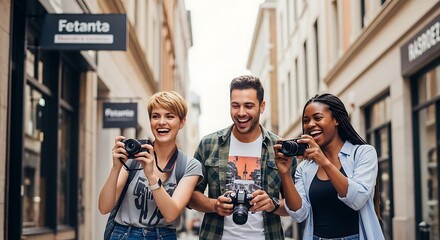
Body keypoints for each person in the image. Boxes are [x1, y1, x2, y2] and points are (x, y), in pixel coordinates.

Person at [188, 75, 296, 239]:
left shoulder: (280, 148)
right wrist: (214, 205)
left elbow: (295, 207)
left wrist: (272, 204)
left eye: (249, 106)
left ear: (262, 106)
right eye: (235, 106)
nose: (241, 113)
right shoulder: (208, 144)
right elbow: (190, 196)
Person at [274, 93, 384, 240]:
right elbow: (299, 214)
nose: (310, 124)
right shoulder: (305, 168)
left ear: (336, 120)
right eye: (306, 121)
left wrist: (324, 161)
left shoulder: (363, 153)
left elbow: (357, 200)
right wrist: (285, 174)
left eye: (318, 118)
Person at [99, 91, 203, 240]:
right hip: (124, 235)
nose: (161, 122)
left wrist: (151, 176)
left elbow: (171, 214)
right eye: (156, 116)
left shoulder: (189, 166)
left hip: (163, 235)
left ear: (182, 122)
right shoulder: (133, 156)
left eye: (169, 116)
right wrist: (115, 168)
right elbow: (104, 207)